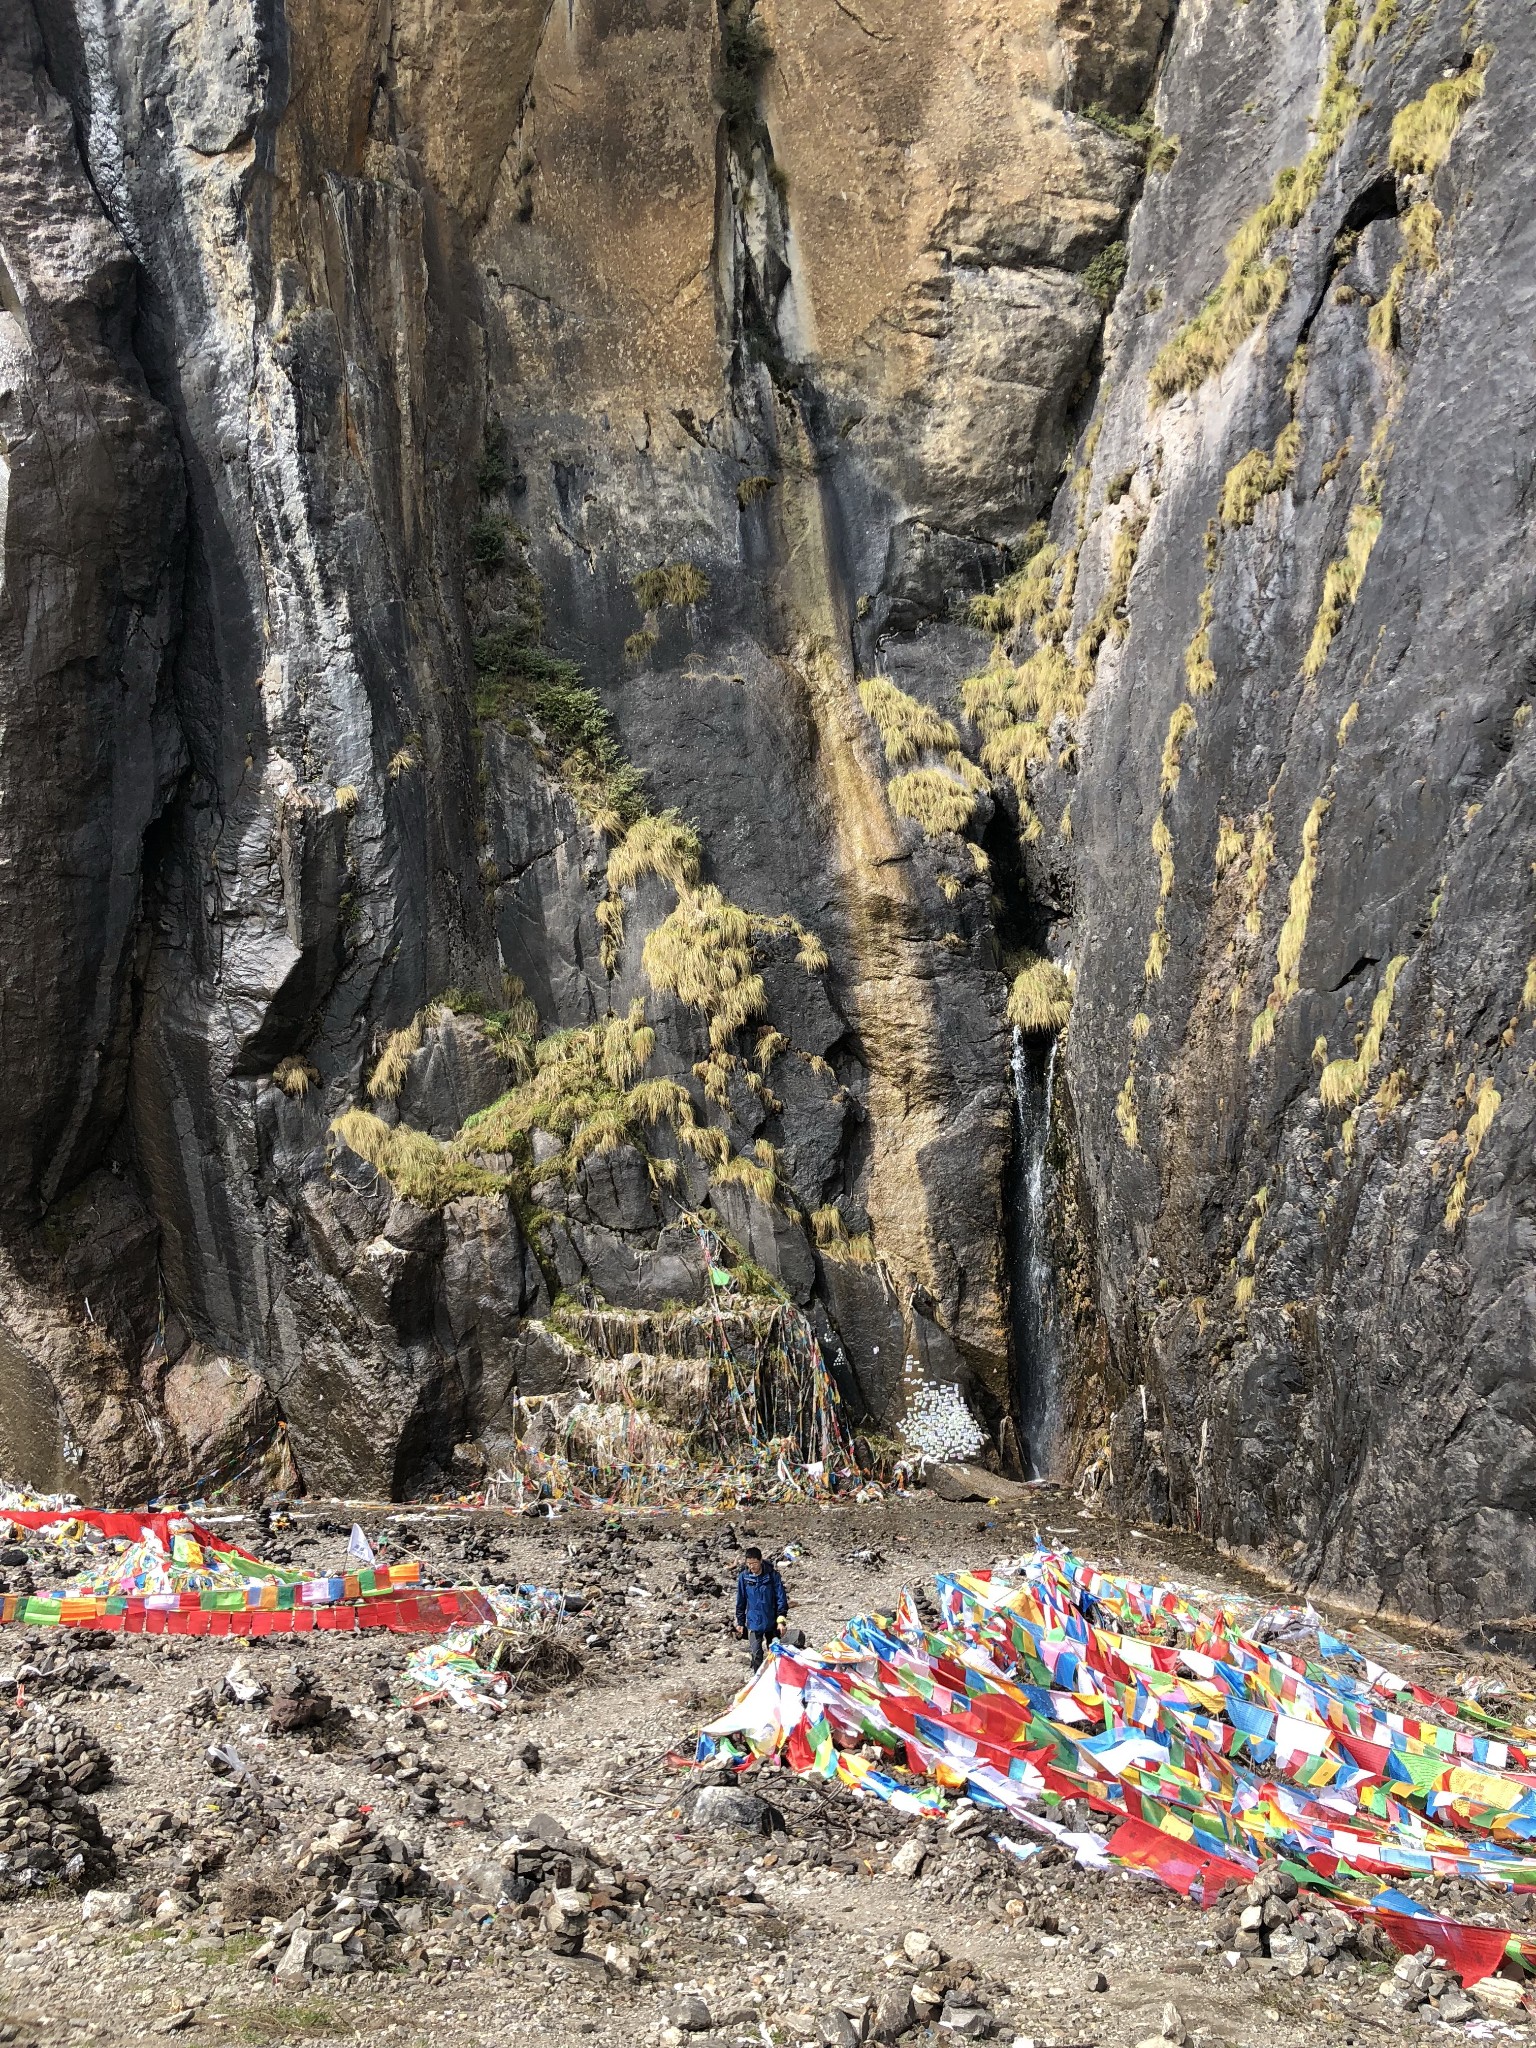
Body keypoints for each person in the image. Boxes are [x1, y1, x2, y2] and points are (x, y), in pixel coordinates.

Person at [734, 1546, 789, 1669]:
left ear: (760, 1560)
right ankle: (758, 1681)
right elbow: (741, 1600)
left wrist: (781, 1621)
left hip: (772, 1621)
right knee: (756, 1653)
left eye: (754, 1563)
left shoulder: (772, 1575)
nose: (752, 1567)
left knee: (774, 1653)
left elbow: (781, 1598)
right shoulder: (744, 1577)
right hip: (754, 1621)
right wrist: (740, 1622)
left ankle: (775, 1679)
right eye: (749, 1564)